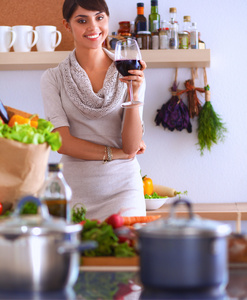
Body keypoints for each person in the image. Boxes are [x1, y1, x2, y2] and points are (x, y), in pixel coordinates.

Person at [40, 0, 147, 221]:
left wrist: (135, 95)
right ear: (67, 25)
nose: (93, 27)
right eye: (82, 20)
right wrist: (115, 153)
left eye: (99, 18)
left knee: (126, 254)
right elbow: (62, 142)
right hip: (73, 191)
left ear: (108, 20)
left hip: (124, 190)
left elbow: (131, 146)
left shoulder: (130, 72)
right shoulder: (52, 78)